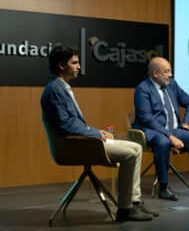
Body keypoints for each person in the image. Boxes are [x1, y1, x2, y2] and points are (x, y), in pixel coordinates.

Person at [40, 45, 159, 222]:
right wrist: (95, 133)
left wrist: (95, 132)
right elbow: (66, 125)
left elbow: (71, 123)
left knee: (137, 147)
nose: (79, 66)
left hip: (83, 140)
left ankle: (134, 202)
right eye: (75, 63)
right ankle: (125, 209)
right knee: (129, 155)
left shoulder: (61, 87)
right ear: (61, 65)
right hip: (73, 146)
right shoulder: (55, 90)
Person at [133, 57, 189, 201]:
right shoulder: (143, 89)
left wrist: (187, 122)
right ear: (155, 74)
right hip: (153, 131)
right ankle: (164, 187)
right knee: (163, 142)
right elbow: (147, 119)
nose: (170, 75)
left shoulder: (171, 85)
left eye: (170, 71)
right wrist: (170, 136)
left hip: (175, 129)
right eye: (166, 72)